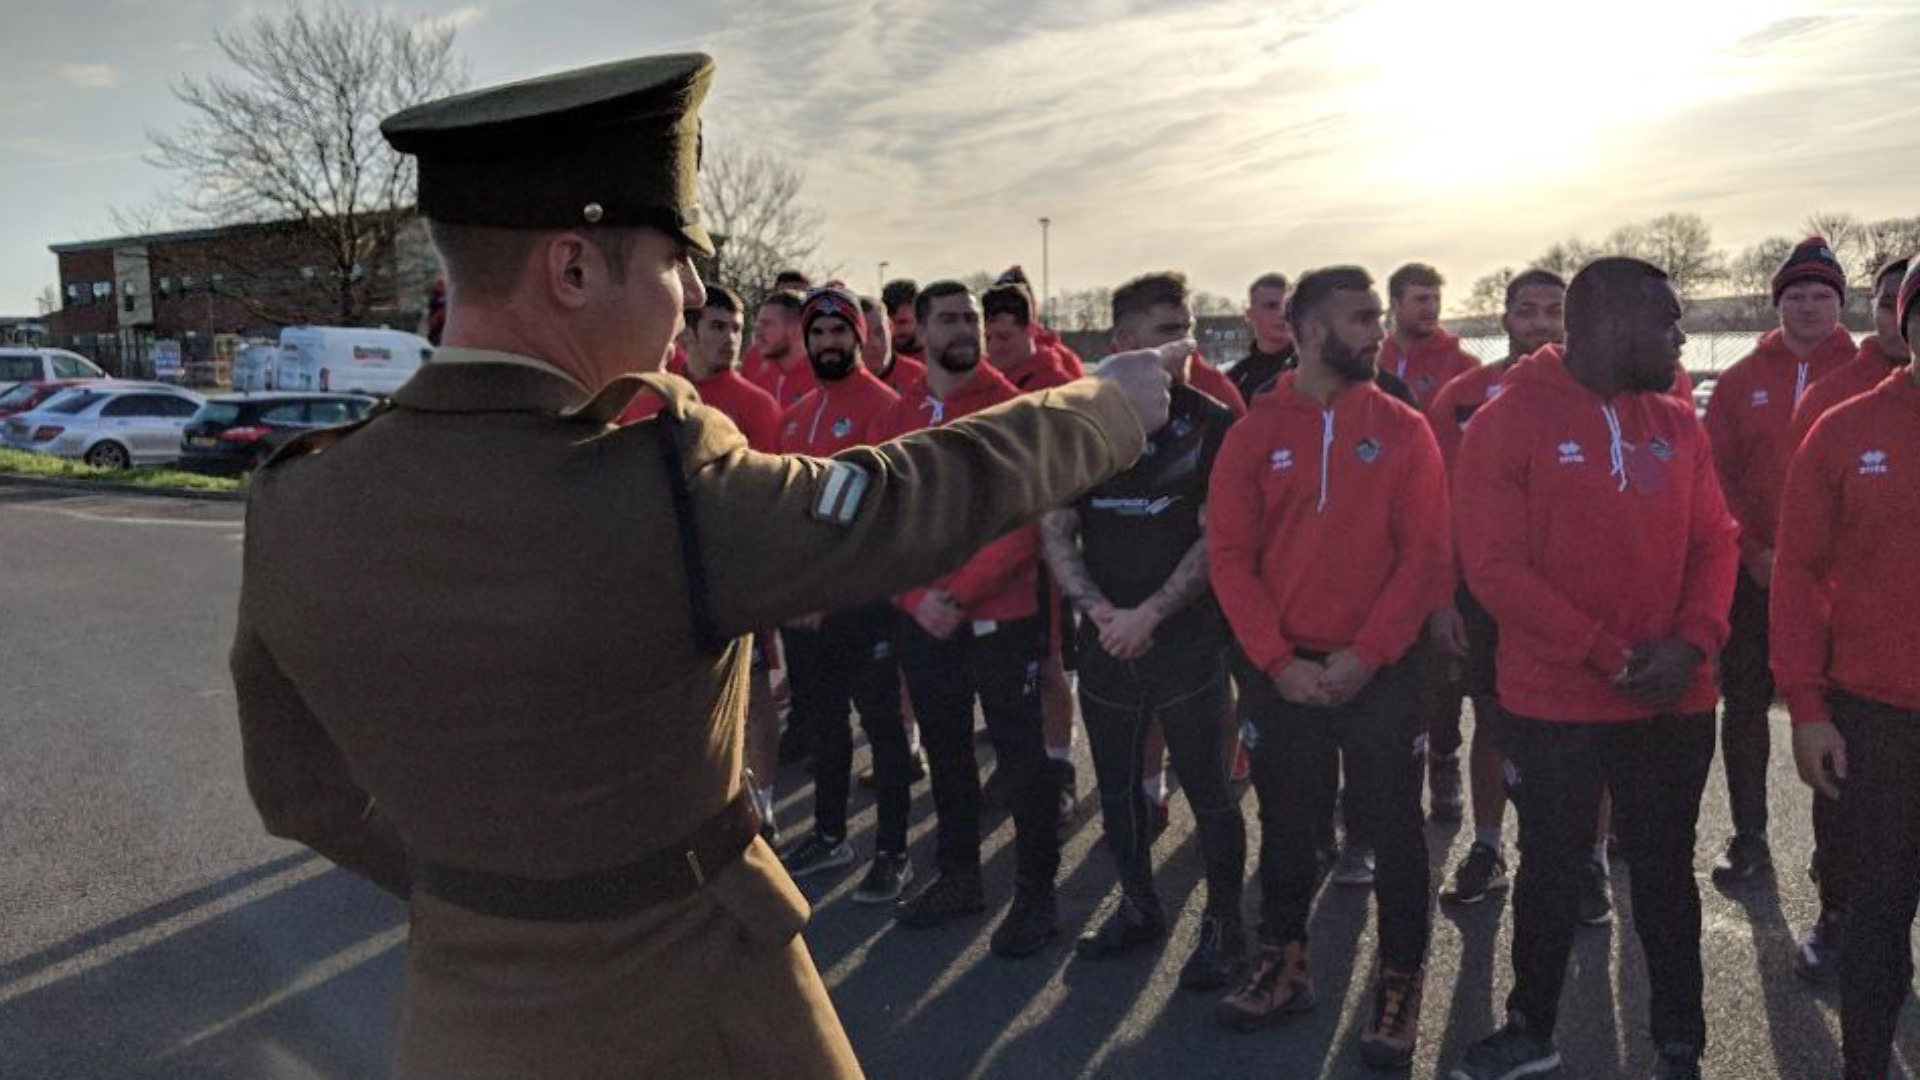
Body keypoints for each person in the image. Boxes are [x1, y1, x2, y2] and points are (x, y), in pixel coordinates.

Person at [232, 53, 1172, 1080]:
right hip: (706, 1007)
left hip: (467, 1015)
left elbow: (299, 794)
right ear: (574, 271)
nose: (689, 291)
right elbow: (908, 498)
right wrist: (1107, 409)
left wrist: (482, 889)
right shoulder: (662, 484)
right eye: (672, 259)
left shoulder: (296, 497)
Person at [1447, 258, 1739, 1080]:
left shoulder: (1678, 419)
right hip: (1556, 700)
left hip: (1674, 697)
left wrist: (1691, 642)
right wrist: (1611, 655)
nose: (1681, 336)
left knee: (1664, 875)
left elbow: (1715, 537)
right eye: (1669, 320)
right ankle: (1531, 1027)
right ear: (1611, 325)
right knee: (1549, 868)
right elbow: (1496, 569)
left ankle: (1680, 1042)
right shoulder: (1505, 424)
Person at [1209, 266, 1451, 1070]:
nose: (1376, 330)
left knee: (1393, 831)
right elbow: (1232, 559)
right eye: (1359, 319)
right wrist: (1276, 663)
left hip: (1380, 671)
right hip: (1285, 675)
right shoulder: (1252, 430)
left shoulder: (1403, 426)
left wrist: (1366, 655)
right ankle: (1283, 965)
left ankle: (1398, 982)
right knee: (1286, 827)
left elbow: (1424, 559)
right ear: (1310, 331)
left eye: (1377, 316)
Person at [1040, 272, 1247, 990]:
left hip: (1185, 639)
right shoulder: (1080, 427)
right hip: (1107, 638)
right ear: (1122, 344)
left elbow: (1217, 539)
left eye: (1187, 327)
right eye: (1165, 332)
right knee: (1123, 788)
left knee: (1208, 789)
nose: (1183, 344)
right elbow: (1057, 530)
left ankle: (1225, 926)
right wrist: (1102, 613)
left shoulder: (1214, 422)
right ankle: (1137, 907)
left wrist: (1150, 614)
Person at [874, 281, 1081, 958]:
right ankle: (959, 876)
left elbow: (1023, 518)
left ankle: (1036, 894)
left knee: (1022, 760)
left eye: (972, 318)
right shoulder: (900, 409)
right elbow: (884, 520)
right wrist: (914, 600)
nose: (965, 329)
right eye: (950, 319)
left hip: (1001, 612)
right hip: (922, 616)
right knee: (947, 750)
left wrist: (959, 594)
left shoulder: (1010, 406)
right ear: (923, 332)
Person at [1428, 269, 1613, 925]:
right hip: (1486, 592)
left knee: (1589, 729)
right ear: (1504, 319)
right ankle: (1486, 847)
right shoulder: (1462, 397)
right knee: (1494, 719)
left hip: (1578, 594)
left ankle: (1591, 860)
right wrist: (1443, 599)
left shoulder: (1602, 390)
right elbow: (1435, 506)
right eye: (1526, 311)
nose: (1539, 323)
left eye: (1553, 312)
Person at [1773, 258, 1920, 1080]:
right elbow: (1796, 571)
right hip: (1877, 714)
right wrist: (1806, 705)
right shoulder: (1844, 428)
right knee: (1877, 916)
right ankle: (1864, 1062)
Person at [1703, 235, 1857, 889]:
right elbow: (1715, 475)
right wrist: (1752, 550)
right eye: (1795, 296)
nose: (1809, 308)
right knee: (1743, 705)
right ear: (1778, 305)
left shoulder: (1865, 373)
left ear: (1840, 305)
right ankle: (1749, 834)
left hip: (1839, 582)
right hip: (1755, 569)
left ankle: (1836, 846)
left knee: (1837, 710)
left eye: (1822, 296)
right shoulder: (1740, 381)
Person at [772, 284, 918, 904]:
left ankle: (894, 851)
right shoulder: (793, 416)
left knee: (882, 729)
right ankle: (831, 835)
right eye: (818, 333)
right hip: (805, 608)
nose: (829, 343)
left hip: (866, 603)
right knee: (826, 725)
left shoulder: (887, 409)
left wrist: (835, 594)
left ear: (860, 335)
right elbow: (783, 515)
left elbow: (884, 521)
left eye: (839, 332)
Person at [982, 278, 1083, 821]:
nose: (992, 346)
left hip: (1043, 548)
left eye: (1003, 336)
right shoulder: (987, 380)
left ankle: (1060, 771)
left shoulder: (1053, 379)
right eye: (988, 336)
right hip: (997, 543)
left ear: (1029, 331)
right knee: (1003, 670)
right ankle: (1016, 763)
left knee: (1049, 664)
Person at [1789, 256, 1912, 449]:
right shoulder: (1826, 398)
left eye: (1916, 308)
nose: (1901, 320)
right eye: (1888, 306)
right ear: (1873, 308)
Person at [1379, 262, 1479, 408]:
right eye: (1421, 300)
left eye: (1437, 299)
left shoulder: (1463, 366)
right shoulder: (1373, 361)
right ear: (1395, 305)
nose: (1432, 308)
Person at [744, 289, 818, 410]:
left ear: (796, 329)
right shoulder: (755, 360)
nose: (757, 332)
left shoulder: (824, 377)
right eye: (757, 324)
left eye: (766, 324)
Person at [1228, 271, 1295, 403]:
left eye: (1288, 306)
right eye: (1271, 306)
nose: (1282, 314)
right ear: (1250, 314)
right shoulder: (1237, 377)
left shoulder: (1313, 371)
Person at [859, 293, 926, 396]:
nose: (875, 343)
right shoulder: (834, 384)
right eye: (865, 334)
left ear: (890, 328)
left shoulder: (919, 378)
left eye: (879, 332)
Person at [882, 278, 923, 362]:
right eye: (889, 323)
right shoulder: (877, 361)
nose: (894, 329)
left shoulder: (942, 358)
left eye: (902, 322)